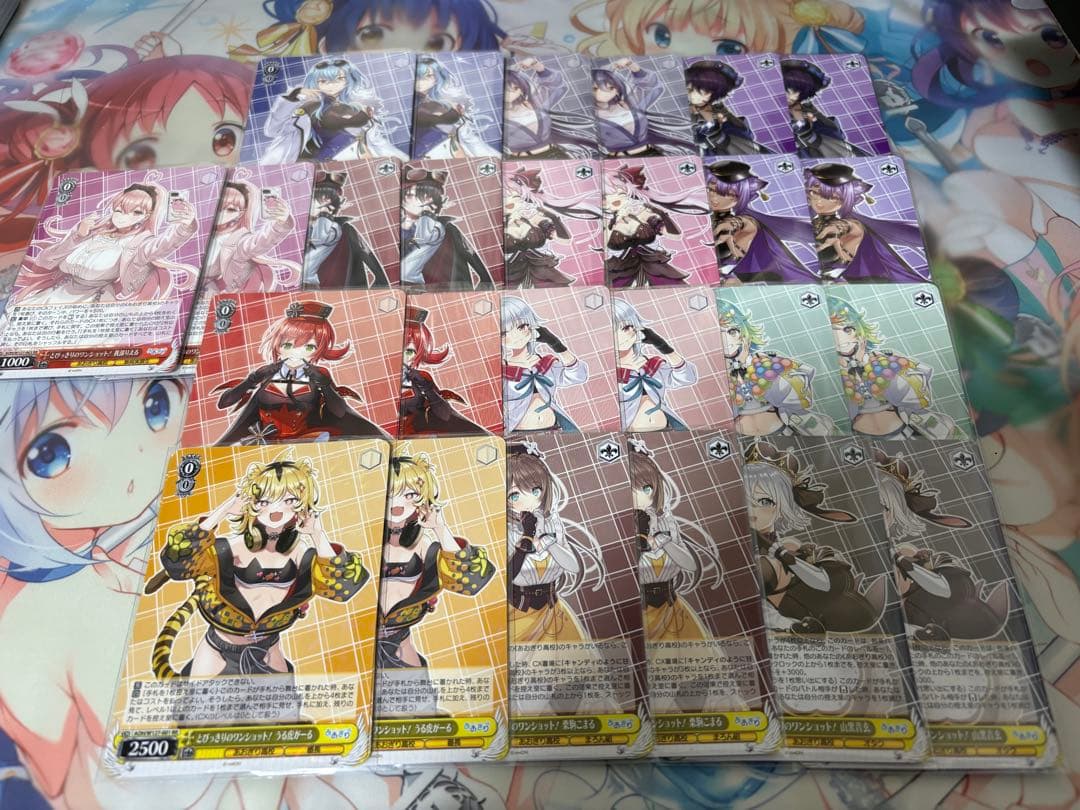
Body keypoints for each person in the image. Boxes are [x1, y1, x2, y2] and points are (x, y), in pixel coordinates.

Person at [149, 449, 369, 683]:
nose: (276, 510)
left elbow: (342, 586)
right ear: (252, 504)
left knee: (285, 705)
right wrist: (223, 511)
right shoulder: (229, 549)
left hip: (268, 650)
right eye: (265, 501)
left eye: (289, 500)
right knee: (197, 705)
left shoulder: (302, 555)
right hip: (217, 650)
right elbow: (179, 561)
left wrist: (317, 534)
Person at [378, 445, 496, 713]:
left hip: (402, 652)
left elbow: (471, 579)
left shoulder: (424, 546)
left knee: (418, 715)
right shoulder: (368, 541)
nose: (398, 502)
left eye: (409, 494)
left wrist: (440, 527)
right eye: (391, 492)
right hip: (366, 650)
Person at [743, 440, 884, 634]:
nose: (753, 511)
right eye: (745, 500)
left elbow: (825, 583)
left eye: (764, 502)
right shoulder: (758, 557)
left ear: (782, 506)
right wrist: (788, 624)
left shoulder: (791, 548)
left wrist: (785, 555)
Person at [214, 300, 389, 445]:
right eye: (288, 345)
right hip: (264, 441)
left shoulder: (319, 374)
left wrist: (326, 387)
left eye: (309, 347)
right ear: (278, 344)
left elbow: (340, 412)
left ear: (318, 349)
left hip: (307, 440)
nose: (296, 353)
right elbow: (223, 403)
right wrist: (251, 380)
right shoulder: (266, 373)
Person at [12, 180, 198, 305]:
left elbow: (164, 245)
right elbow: (46, 260)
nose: (124, 216)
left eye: (136, 212)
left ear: (147, 216)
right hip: (56, 292)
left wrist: (185, 227)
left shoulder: (139, 244)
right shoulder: (93, 229)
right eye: (120, 209)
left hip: (95, 300)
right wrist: (77, 236)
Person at [828, 294, 966, 440]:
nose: (842, 339)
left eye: (847, 330)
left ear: (859, 331)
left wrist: (866, 363)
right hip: (860, 439)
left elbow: (916, 397)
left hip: (904, 433)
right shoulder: (832, 375)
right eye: (833, 332)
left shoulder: (883, 359)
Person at [507, 442, 604, 643]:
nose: (529, 501)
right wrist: (527, 536)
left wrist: (548, 541)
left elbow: (573, 566)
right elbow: (508, 576)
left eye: (535, 491)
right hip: (517, 616)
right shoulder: (507, 528)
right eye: (514, 495)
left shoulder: (551, 522)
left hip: (553, 612)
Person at [629, 439, 721, 641]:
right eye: (633, 488)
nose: (641, 496)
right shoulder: (622, 524)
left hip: (670, 610)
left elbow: (689, 564)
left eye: (646, 488)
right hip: (636, 610)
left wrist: (663, 540)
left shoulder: (664, 521)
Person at [718, 298, 835, 436]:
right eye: (719, 333)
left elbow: (797, 396)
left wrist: (751, 365)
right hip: (739, 436)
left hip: (780, 431)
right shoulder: (714, 376)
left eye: (732, 332)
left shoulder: (766, 361)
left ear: (743, 334)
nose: (726, 339)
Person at [261, 57, 406, 163]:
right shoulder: (309, 106)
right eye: (323, 81)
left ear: (348, 80)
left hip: (353, 159)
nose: (331, 85)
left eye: (339, 79)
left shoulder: (356, 106)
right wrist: (292, 97)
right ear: (315, 82)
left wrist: (400, 161)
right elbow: (272, 131)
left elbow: (369, 141)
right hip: (313, 164)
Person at [804, 163, 927, 282]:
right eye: (813, 193)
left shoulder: (850, 225)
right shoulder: (816, 222)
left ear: (846, 198)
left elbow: (847, 228)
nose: (819, 201)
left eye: (832, 197)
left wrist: (839, 229)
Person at [707, 160, 817, 281]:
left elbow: (740, 224)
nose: (714, 197)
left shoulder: (746, 221)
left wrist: (731, 225)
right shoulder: (711, 219)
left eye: (727, 194)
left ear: (741, 196)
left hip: (761, 281)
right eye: (711, 190)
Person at [604, 163, 709, 287]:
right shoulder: (611, 223)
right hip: (621, 270)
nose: (611, 200)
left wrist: (663, 215)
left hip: (653, 267)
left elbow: (675, 235)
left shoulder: (644, 214)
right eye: (606, 197)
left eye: (618, 194)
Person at [503, 166, 601, 288]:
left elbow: (565, 240)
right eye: (506, 197)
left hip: (542, 272)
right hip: (510, 274)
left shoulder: (535, 218)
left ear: (523, 197)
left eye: (515, 196)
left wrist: (554, 217)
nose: (509, 201)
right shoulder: (499, 223)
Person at [502, 295, 587, 432]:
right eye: (505, 333)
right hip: (517, 433)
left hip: (555, 429)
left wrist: (557, 345)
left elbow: (579, 376)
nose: (515, 336)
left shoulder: (545, 364)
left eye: (521, 326)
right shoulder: (501, 371)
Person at [399, 304, 487, 435]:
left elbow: (446, 416)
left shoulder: (421, 377)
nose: (401, 357)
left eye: (409, 351)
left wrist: (427, 389)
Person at [400, 167, 494, 289]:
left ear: (429, 199)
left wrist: (481, 291)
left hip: (448, 293)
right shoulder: (399, 232)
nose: (405, 198)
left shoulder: (447, 229)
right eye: (405, 193)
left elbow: (480, 269)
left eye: (411, 195)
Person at [613, 297, 697, 431]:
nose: (630, 332)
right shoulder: (609, 374)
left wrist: (664, 348)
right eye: (616, 329)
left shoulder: (651, 365)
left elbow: (688, 378)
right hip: (631, 434)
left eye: (629, 326)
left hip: (669, 429)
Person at [204, 179, 298, 294]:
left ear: (240, 213)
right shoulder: (207, 232)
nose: (221, 213)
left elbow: (260, 241)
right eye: (218, 206)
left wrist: (281, 224)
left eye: (230, 209)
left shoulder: (238, 239)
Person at [303, 170, 389, 288]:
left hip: (338, 288)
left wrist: (380, 281)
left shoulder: (344, 229)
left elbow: (367, 254)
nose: (325, 203)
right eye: (318, 198)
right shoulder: (300, 230)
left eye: (331, 200)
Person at [592, 58, 695, 156]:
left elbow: (651, 86)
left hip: (652, 153)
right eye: (596, 88)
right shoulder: (592, 116)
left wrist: (631, 65)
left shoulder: (629, 104)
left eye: (611, 87)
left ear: (617, 88)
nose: (604, 92)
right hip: (620, 160)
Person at [411, 55, 500, 159]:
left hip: (456, 146)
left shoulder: (438, 100)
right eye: (418, 76)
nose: (421, 81)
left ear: (436, 79)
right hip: (429, 151)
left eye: (428, 76)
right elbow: (427, 119)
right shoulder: (413, 103)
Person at [781, 58, 871, 159]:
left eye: (798, 92)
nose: (792, 96)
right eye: (788, 90)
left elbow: (839, 149)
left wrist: (805, 130)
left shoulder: (809, 115)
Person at [686, 59, 770, 156]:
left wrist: (717, 132)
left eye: (712, 92)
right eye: (704, 90)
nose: (707, 96)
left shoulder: (719, 114)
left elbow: (744, 141)